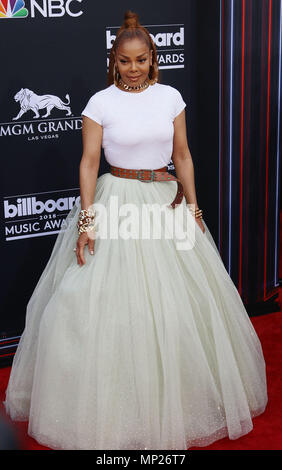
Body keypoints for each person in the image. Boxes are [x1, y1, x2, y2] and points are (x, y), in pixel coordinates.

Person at [3, 10, 268, 451]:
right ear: (113, 61)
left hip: (165, 202)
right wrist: (88, 220)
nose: (133, 68)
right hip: (116, 200)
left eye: (141, 60)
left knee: (180, 305)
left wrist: (195, 207)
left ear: (152, 58)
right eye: (124, 61)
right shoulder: (99, 103)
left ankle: (176, 403)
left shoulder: (171, 97)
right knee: (101, 305)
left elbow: (182, 156)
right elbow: (89, 163)